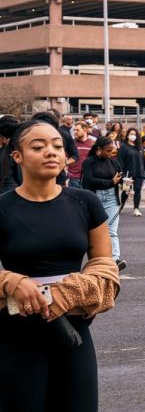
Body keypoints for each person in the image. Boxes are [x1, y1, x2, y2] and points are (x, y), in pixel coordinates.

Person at [0, 120, 120, 411]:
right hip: (16, 332)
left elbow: (105, 267)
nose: (51, 152)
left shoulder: (85, 202)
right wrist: (12, 282)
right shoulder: (2, 207)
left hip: (72, 329)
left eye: (57, 146)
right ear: (18, 156)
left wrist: (67, 294)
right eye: (38, 147)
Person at [82, 136, 127, 272]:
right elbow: (90, 181)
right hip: (94, 198)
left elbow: (121, 178)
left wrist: (126, 184)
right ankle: (97, 259)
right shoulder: (89, 163)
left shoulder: (114, 162)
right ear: (99, 149)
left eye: (112, 151)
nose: (110, 154)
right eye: (108, 151)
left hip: (112, 198)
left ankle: (115, 260)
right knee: (94, 231)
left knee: (112, 230)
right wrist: (110, 182)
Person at [118, 127, 145, 218]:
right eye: (131, 134)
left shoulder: (140, 147)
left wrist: (144, 172)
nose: (133, 136)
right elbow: (120, 161)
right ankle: (121, 206)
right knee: (126, 191)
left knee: (137, 190)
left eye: (134, 134)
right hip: (128, 173)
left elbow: (143, 161)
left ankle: (136, 208)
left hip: (139, 172)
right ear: (127, 135)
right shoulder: (123, 146)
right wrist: (122, 174)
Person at [67, 121, 96, 190]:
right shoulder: (71, 143)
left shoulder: (93, 143)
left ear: (85, 129)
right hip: (73, 179)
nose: (75, 132)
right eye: (74, 130)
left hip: (89, 179)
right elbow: (66, 159)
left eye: (77, 130)